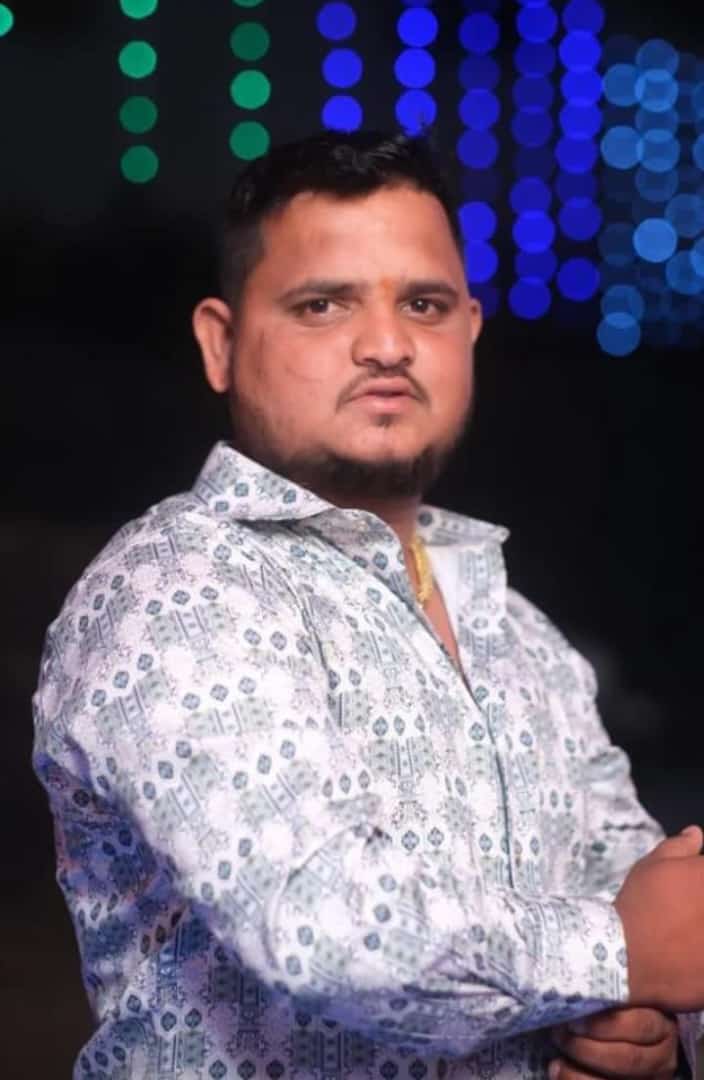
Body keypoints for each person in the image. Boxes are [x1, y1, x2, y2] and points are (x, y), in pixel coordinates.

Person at [33, 131, 704, 1080]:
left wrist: (656, 1031)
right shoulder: (175, 590)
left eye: (423, 304)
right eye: (323, 304)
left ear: (470, 330)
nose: (387, 344)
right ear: (221, 343)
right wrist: (623, 956)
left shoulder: (518, 631)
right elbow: (326, 925)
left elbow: (654, 899)